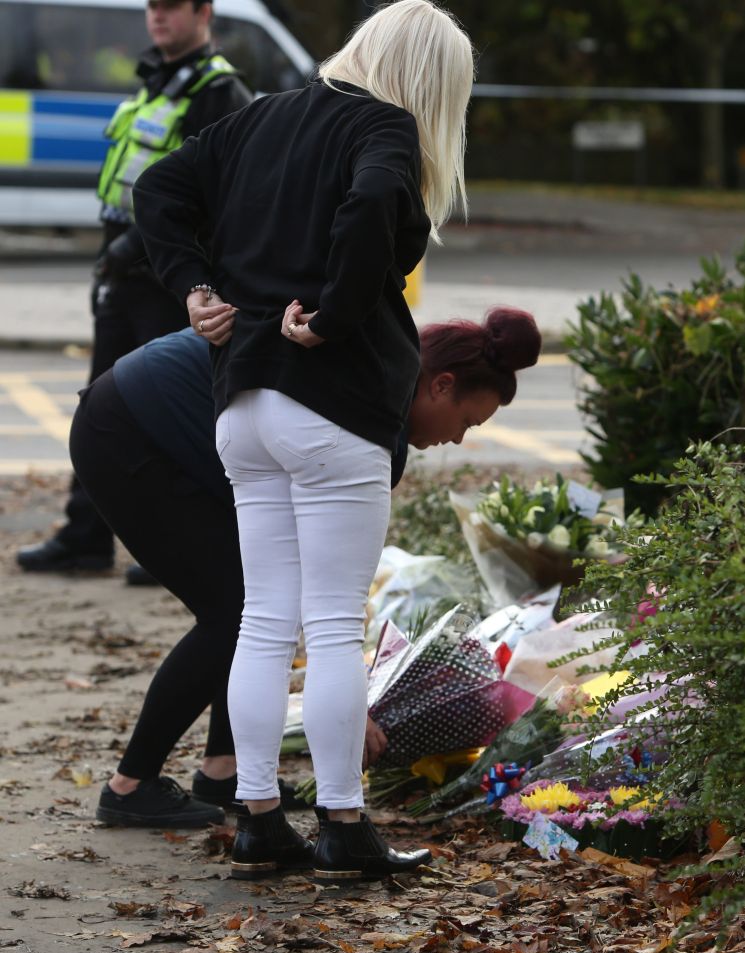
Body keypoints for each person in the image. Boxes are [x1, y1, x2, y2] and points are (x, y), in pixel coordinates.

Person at [133, 0, 475, 882]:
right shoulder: (387, 127)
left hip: (241, 404)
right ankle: (344, 824)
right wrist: (334, 310)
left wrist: (190, 286)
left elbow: (157, 189)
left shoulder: (261, 117)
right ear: (431, 80)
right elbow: (368, 211)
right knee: (330, 624)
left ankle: (256, 817)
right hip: (331, 407)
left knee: (261, 617)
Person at [71, 304, 541, 845]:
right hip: (130, 428)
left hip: (171, 423)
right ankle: (131, 785)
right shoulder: (369, 414)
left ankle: (225, 772)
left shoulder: (376, 377)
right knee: (235, 611)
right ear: (441, 385)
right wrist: (346, 701)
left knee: (257, 599)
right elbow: (329, 591)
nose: (457, 440)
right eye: (466, 422)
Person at [17, 0, 252, 579]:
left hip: (170, 279)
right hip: (125, 270)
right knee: (99, 403)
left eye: (172, 7)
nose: (157, 17)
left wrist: (136, 252)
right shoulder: (155, 82)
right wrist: (115, 254)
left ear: (205, 13)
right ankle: (86, 537)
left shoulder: (218, 93)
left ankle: (179, 541)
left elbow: (204, 201)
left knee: (167, 411)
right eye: (152, 6)